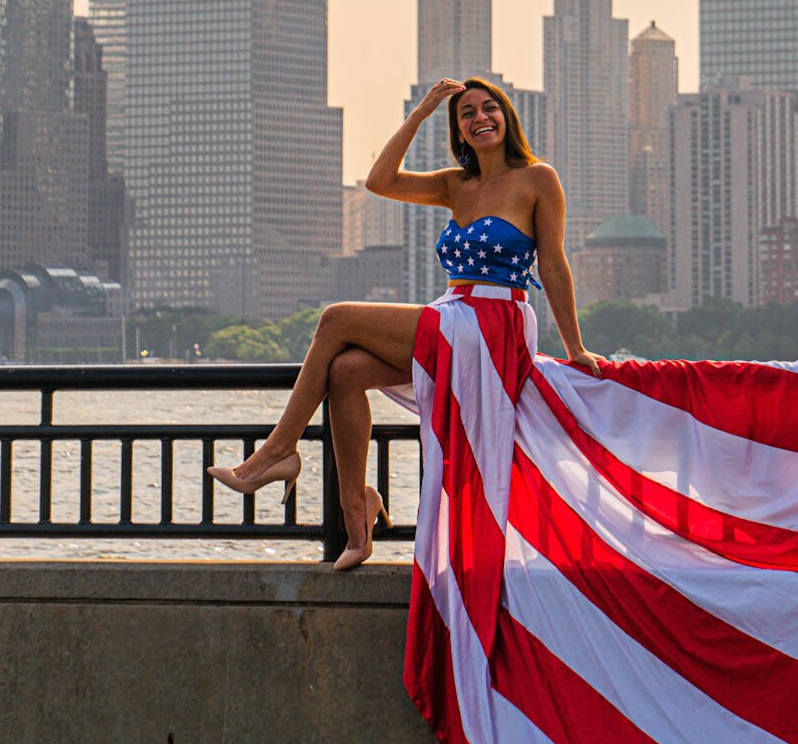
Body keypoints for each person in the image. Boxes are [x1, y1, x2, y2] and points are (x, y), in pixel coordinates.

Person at [208, 76, 601, 569]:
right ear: (458, 129)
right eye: (467, 114)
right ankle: (358, 516)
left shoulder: (538, 178)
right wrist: (420, 113)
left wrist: (576, 348)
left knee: (335, 319)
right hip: (455, 314)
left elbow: (554, 266)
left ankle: (277, 450)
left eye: (489, 108)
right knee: (345, 373)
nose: (480, 118)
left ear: (507, 116)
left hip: (496, 321)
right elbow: (380, 181)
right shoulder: (454, 185)